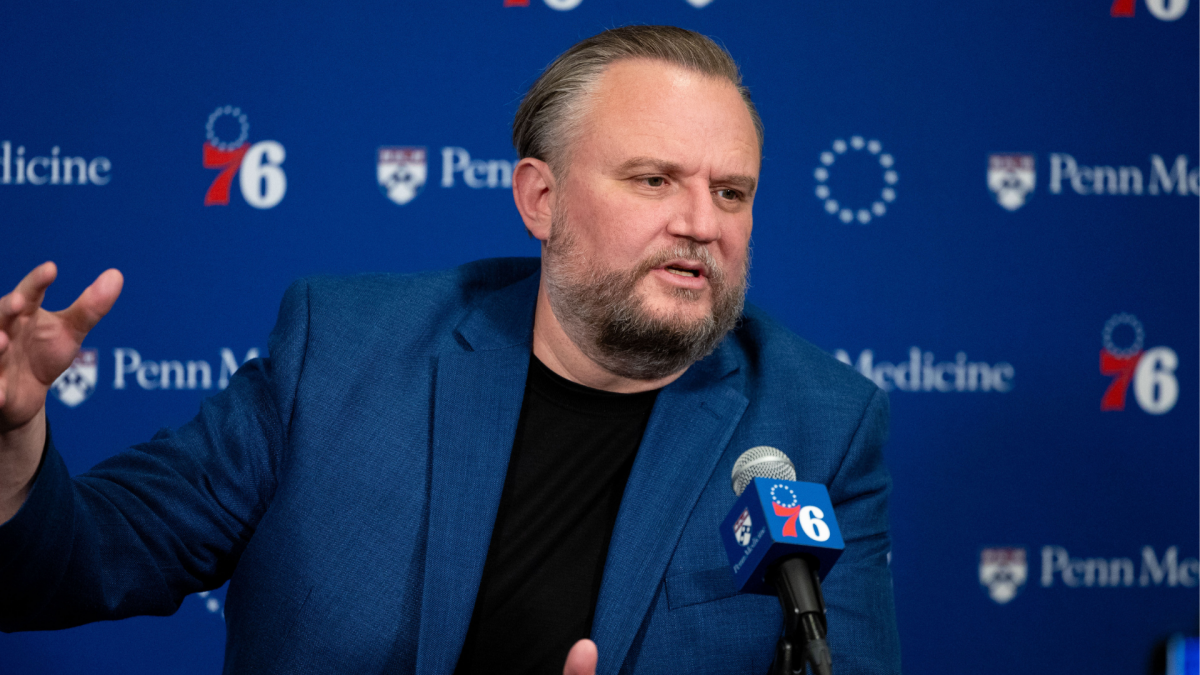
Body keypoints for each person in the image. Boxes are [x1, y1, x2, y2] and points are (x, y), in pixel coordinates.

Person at [0, 25, 900, 675]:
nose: (702, 222)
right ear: (540, 199)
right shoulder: (342, 350)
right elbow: (77, 561)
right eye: (654, 179)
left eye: (732, 192)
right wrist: (11, 444)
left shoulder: (816, 424)